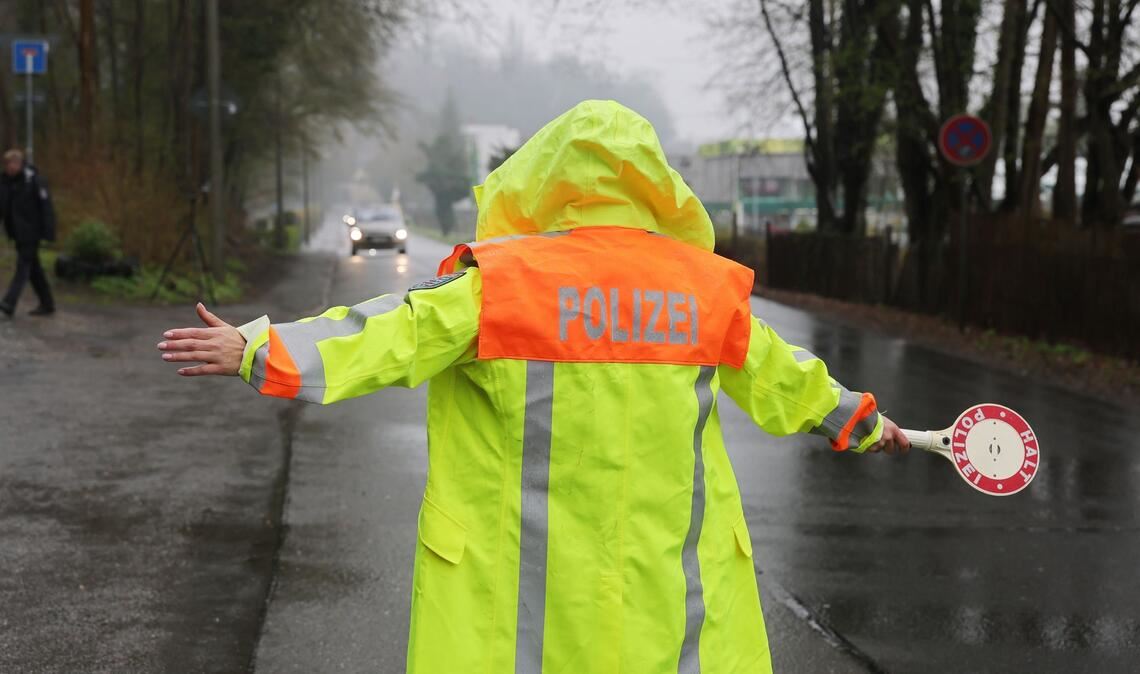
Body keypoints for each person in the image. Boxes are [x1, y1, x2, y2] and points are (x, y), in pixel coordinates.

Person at [158, 100, 909, 674]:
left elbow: (386, 332)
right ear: (657, 188)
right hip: (667, 597)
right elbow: (791, 381)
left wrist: (257, 349)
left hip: (522, 608)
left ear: (545, 177)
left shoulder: (505, 283)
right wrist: (867, 424)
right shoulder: (703, 294)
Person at [0, 148, 56, 317]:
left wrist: (48, 233)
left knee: (23, 267)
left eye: (12, 163)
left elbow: (46, 208)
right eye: (7, 164)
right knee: (34, 269)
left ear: (19, 163)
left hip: (32, 232)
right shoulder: (5, 182)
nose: (9, 167)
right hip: (17, 232)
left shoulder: (35, 181)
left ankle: (9, 302)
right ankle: (47, 304)